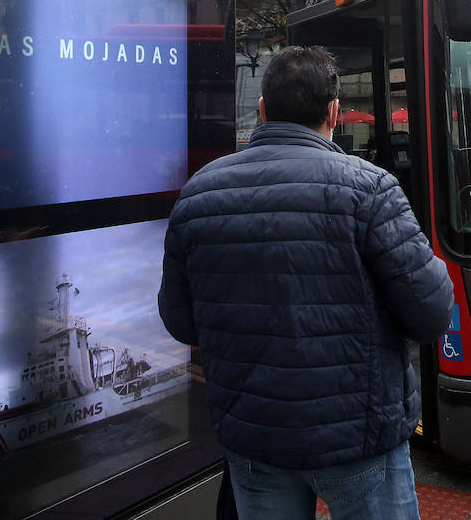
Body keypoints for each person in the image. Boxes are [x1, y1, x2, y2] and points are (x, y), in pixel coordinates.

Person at [158, 46, 453, 519]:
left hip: (256, 441)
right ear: (334, 112)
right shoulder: (371, 190)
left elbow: (180, 321)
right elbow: (432, 312)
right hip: (359, 437)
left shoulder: (198, 194)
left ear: (261, 110)